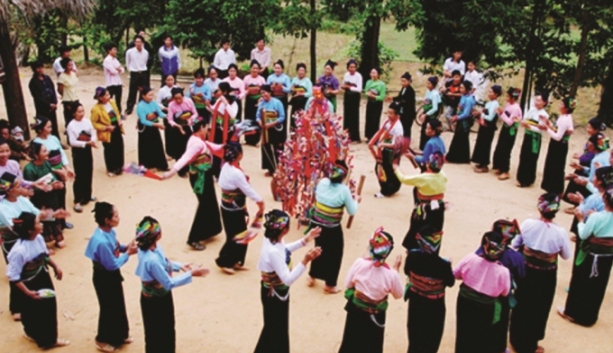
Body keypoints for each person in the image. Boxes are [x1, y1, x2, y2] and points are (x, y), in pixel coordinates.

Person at [134, 216, 209, 353]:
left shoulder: (149, 250)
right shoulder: (151, 260)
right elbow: (168, 283)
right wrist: (191, 274)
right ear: (158, 235)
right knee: (159, 334)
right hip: (156, 301)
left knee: (161, 331)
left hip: (156, 297)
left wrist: (180, 266)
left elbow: (164, 263)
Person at [510, 193, 572, 353]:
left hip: (525, 270)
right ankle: (530, 344)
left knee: (521, 301)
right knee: (539, 307)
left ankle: (515, 337)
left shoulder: (528, 224)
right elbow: (566, 255)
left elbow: (515, 244)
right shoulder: (560, 232)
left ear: (540, 208)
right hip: (546, 275)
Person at [254, 210, 322, 353]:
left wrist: (305, 240)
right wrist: (305, 261)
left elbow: (284, 250)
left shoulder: (272, 239)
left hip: (275, 293)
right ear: (285, 230)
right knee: (274, 328)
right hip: (274, 296)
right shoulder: (272, 251)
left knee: (275, 328)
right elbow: (288, 279)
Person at [6, 212, 69, 349]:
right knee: (32, 310)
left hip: (42, 276)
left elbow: (44, 256)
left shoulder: (39, 238)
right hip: (28, 283)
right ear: (30, 230)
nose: (41, 224)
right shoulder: (19, 251)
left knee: (48, 307)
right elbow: (14, 276)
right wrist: (28, 292)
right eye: (38, 223)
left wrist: (55, 266)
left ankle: (48, 337)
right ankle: (42, 339)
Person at [162, 116, 223, 250]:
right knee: (204, 205)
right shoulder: (197, 143)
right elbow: (185, 158)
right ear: (201, 128)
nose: (208, 129)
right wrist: (171, 173)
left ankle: (210, 230)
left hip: (204, 175)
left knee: (210, 202)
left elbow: (212, 147)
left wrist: (227, 145)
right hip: (200, 178)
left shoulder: (197, 139)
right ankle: (193, 238)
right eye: (206, 127)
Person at [338, 228, 403, 353]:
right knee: (372, 345)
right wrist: (396, 270)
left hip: (355, 310)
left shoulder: (359, 263)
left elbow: (348, 284)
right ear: (388, 252)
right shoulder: (391, 274)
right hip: (376, 314)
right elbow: (398, 294)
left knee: (350, 340)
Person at [84, 202, 137, 352]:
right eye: (115, 215)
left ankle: (120, 335)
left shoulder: (109, 232)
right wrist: (129, 254)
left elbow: (115, 246)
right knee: (108, 308)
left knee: (118, 304)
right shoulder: (100, 241)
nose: (118, 217)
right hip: (104, 277)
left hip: (111, 276)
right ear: (107, 220)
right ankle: (102, 339)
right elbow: (112, 265)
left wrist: (126, 247)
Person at [559, 187, 613, 327]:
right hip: (607, 256)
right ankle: (590, 316)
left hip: (591, 255)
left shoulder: (596, 217)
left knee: (581, 283)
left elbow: (583, 234)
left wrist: (581, 220)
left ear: (604, 199)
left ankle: (572, 313)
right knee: (598, 285)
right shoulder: (598, 216)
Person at [453, 231, 511, 353]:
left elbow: (455, 274)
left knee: (463, 333)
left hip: (465, 302)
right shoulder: (503, 272)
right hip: (486, 308)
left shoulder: (471, 258)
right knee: (482, 338)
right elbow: (505, 293)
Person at [307, 160, 359, 293]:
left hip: (316, 223)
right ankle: (330, 284)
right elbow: (352, 211)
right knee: (335, 253)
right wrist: (356, 200)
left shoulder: (322, 182)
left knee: (319, 247)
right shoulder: (344, 190)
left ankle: (312, 275)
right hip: (331, 227)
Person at [215, 142, 265, 273]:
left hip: (229, 206)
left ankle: (236, 260)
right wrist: (260, 202)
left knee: (240, 234)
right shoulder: (236, 173)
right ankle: (224, 261)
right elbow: (248, 189)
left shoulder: (226, 166)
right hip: (233, 208)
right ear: (240, 155)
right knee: (237, 235)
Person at [405, 225, 455, 353]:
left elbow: (406, 271)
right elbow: (450, 282)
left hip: (415, 301)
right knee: (431, 340)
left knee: (415, 337)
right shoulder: (443, 265)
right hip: (435, 305)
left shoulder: (412, 256)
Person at [481, 220, 526, 353]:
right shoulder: (515, 257)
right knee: (501, 323)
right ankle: (498, 348)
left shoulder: (482, 249)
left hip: (482, 292)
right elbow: (521, 275)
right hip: (502, 294)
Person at [395, 152, 447, 251]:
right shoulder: (443, 175)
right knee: (435, 231)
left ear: (428, 164)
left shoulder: (423, 178)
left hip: (424, 209)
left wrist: (396, 168)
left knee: (416, 228)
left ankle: (414, 249)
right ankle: (432, 249)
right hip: (439, 207)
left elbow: (404, 179)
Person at [23, 142, 69, 248]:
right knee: (44, 220)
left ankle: (57, 236)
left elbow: (51, 176)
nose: (47, 152)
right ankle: (43, 244)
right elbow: (31, 190)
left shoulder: (46, 163)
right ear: (35, 155)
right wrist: (51, 186)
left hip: (52, 198)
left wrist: (57, 183)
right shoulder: (29, 169)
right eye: (44, 151)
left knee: (55, 218)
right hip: (39, 201)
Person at [32, 116, 74, 230]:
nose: (51, 128)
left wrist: (67, 167)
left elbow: (61, 153)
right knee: (52, 199)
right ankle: (55, 225)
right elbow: (42, 160)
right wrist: (56, 171)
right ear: (40, 129)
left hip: (60, 169)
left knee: (62, 195)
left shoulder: (54, 138)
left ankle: (63, 221)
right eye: (48, 127)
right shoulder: (36, 143)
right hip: (49, 172)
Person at [562, 117, 605, 209]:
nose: (587, 129)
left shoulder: (597, 141)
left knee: (583, 188)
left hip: (588, 166)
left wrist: (581, 157)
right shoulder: (596, 138)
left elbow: (590, 156)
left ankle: (579, 205)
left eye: (590, 128)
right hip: (585, 167)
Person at [66, 102, 97, 213]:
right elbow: (72, 142)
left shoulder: (87, 121)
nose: (81, 113)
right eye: (79, 112)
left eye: (82, 111)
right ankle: (77, 200)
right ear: (74, 113)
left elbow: (93, 132)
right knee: (80, 175)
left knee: (89, 172)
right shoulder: (71, 125)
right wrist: (86, 143)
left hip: (87, 150)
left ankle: (87, 195)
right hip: (79, 152)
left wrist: (92, 140)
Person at [369, 102, 404, 198]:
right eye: (388, 113)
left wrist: (383, 144)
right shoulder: (388, 122)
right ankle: (392, 188)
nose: (388, 115)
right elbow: (380, 132)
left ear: (397, 115)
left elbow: (397, 144)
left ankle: (386, 190)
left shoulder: (398, 127)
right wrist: (372, 143)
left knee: (384, 170)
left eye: (391, 113)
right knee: (385, 170)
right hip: (385, 148)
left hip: (392, 152)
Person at [541, 97, 575, 194]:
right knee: (552, 165)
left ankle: (556, 190)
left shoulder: (565, 119)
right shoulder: (563, 116)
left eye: (561, 104)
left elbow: (558, 136)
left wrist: (546, 129)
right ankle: (551, 188)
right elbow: (557, 129)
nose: (559, 106)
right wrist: (549, 123)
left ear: (566, 108)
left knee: (557, 167)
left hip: (559, 146)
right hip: (556, 145)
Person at [516, 92, 549, 187]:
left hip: (535, 137)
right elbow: (526, 118)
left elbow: (540, 129)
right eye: (536, 100)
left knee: (531, 158)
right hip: (527, 135)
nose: (536, 102)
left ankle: (527, 179)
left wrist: (529, 127)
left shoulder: (544, 114)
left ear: (544, 103)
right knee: (523, 155)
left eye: (539, 100)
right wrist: (523, 122)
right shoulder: (532, 109)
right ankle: (521, 177)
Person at [91, 87, 125, 177]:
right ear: (100, 97)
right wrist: (106, 127)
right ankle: (111, 168)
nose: (108, 96)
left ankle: (119, 167)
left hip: (116, 127)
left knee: (119, 146)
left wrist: (119, 120)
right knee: (110, 150)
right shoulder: (96, 109)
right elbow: (94, 123)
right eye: (106, 95)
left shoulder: (112, 102)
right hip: (107, 131)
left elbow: (117, 112)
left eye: (108, 94)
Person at [208, 82, 239, 178]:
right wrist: (207, 105)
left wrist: (226, 103)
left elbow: (233, 114)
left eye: (219, 90)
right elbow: (214, 110)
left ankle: (227, 173)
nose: (217, 92)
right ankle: (216, 171)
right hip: (218, 128)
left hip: (228, 130)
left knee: (227, 151)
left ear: (224, 91)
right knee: (217, 149)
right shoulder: (218, 100)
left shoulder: (233, 102)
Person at [492, 87, 523, 181]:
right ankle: (499, 166)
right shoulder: (509, 104)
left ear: (513, 98)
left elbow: (510, 122)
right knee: (500, 147)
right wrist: (500, 113)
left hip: (511, 130)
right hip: (505, 128)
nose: (506, 97)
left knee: (506, 149)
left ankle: (506, 171)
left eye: (508, 96)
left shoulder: (516, 108)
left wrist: (501, 114)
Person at [166, 87, 198, 176]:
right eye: (176, 98)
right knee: (179, 150)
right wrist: (177, 125)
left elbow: (195, 113)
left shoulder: (189, 101)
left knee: (189, 148)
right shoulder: (171, 105)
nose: (178, 100)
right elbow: (170, 119)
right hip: (177, 129)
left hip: (187, 127)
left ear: (183, 96)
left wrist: (191, 119)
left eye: (180, 98)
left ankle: (190, 167)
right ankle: (181, 170)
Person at [257, 84, 286, 176]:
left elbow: (282, 117)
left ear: (269, 92)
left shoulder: (277, 102)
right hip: (266, 128)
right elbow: (257, 116)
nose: (263, 95)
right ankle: (270, 168)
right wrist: (259, 122)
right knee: (266, 147)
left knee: (278, 149)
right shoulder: (261, 103)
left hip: (276, 128)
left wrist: (272, 123)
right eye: (261, 93)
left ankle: (280, 169)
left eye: (265, 92)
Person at [471, 85, 502, 172]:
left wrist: (481, 115)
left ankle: (484, 164)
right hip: (483, 126)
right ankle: (480, 162)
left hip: (488, 127)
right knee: (481, 143)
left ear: (496, 94)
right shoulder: (489, 103)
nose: (489, 94)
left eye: (491, 92)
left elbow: (490, 117)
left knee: (486, 145)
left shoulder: (495, 104)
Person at [137, 86, 168, 171]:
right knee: (147, 146)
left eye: (152, 95)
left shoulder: (153, 103)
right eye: (149, 95)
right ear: (143, 96)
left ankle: (160, 165)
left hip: (155, 125)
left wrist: (167, 116)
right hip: (145, 128)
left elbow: (160, 113)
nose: (152, 97)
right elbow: (143, 120)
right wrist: (157, 125)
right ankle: (148, 166)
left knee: (157, 145)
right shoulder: (140, 106)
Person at [446, 80, 476, 164]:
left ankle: (454, 158)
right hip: (460, 119)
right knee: (460, 139)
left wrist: (456, 117)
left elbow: (466, 113)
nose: (460, 89)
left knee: (460, 139)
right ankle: (462, 158)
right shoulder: (464, 96)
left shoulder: (469, 99)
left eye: (462, 87)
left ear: (467, 89)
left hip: (464, 121)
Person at [28, 60, 59, 138]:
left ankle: (57, 140)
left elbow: (53, 90)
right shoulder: (33, 82)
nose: (40, 69)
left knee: (53, 124)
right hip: (42, 108)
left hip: (52, 106)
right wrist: (48, 105)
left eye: (41, 67)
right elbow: (37, 97)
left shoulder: (47, 78)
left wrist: (55, 102)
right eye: (38, 68)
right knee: (43, 125)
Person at [244, 60, 266, 145]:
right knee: (248, 119)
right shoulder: (246, 78)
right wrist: (249, 91)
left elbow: (265, 90)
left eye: (257, 68)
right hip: (249, 100)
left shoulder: (262, 79)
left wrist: (261, 98)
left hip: (259, 101)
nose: (255, 70)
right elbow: (244, 89)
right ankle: (248, 138)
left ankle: (256, 139)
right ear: (250, 69)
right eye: (253, 68)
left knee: (257, 119)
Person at [125, 35, 149, 115]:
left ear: (142, 43)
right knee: (132, 91)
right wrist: (131, 70)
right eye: (136, 42)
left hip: (143, 72)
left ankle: (141, 107)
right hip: (134, 73)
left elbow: (145, 62)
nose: (138, 43)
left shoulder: (145, 52)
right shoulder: (130, 52)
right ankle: (129, 108)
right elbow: (127, 62)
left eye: (139, 42)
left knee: (143, 91)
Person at [57, 57, 79, 140]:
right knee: (69, 121)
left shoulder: (73, 74)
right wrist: (65, 96)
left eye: (71, 64)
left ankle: (77, 137)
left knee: (77, 119)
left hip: (75, 98)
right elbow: (60, 89)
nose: (71, 66)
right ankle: (70, 139)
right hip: (68, 100)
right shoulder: (62, 76)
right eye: (69, 65)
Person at [267, 59, 291, 131]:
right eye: (275, 68)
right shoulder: (270, 77)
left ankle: (282, 139)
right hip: (273, 99)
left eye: (279, 68)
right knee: (272, 116)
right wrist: (271, 87)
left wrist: (282, 88)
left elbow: (289, 89)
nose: (277, 70)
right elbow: (266, 89)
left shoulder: (286, 78)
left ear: (282, 69)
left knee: (282, 116)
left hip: (282, 99)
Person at [342, 59, 363, 142]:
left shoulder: (358, 76)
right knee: (347, 115)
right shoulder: (346, 75)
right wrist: (344, 87)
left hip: (355, 97)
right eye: (350, 67)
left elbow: (359, 89)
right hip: (347, 96)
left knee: (354, 116)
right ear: (348, 68)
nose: (352, 69)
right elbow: (344, 84)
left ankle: (355, 136)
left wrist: (349, 87)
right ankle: (346, 134)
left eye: (354, 67)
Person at [418, 76, 441, 151]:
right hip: (427, 110)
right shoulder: (428, 91)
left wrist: (426, 114)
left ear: (433, 85)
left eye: (429, 83)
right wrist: (422, 112)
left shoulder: (435, 94)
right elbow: (426, 103)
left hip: (432, 114)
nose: (427, 85)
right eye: (427, 83)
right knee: (424, 129)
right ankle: (423, 147)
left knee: (430, 129)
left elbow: (435, 108)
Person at [364, 67, 387, 141]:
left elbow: (382, 96)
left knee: (375, 120)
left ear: (378, 74)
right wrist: (367, 94)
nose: (372, 74)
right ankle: (368, 136)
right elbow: (365, 92)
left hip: (377, 104)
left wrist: (374, 96)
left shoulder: (382, 84)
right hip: (370, 102)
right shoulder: (368, 82)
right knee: (368, 119)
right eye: (371, 73)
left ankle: (375, 137)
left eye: (374, 73)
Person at [289, 62, 313, 129]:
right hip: (295, 103)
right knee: (294, 118)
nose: (301, 72)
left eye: (302, 70)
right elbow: (291, 90)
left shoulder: (308, 81)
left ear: (305, 72)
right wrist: (292, 89)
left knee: (301, 119)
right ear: (297, 71)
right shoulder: (294, 79)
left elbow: (310, 93)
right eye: (299, 70)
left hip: (303, 103)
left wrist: (301, 93)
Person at [393, 72, 416, 139]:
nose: (402, 83)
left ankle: (406, 143)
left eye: (404, 81)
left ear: (409, 81)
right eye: (402, 81)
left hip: (408, 113)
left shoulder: (411, 91)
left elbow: (406, 101)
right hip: (402, 112)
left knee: (406, 128)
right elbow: (400, 97)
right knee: (401, 127)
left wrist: (399, 102)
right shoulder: (403, 89)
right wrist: (393, 99)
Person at [103, 44, 125, 113]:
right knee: (109, 100)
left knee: (118, 100)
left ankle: (119, 114)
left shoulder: (115, 59)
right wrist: (117, 69)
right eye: (114, 50)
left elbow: (122, 69)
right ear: (109, 51)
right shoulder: (107, 60)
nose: (116, 51)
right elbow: (112, 71)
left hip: (118, 82)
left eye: (116, 49)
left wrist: (118, 69)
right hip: (110, 83)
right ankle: (110, 115)